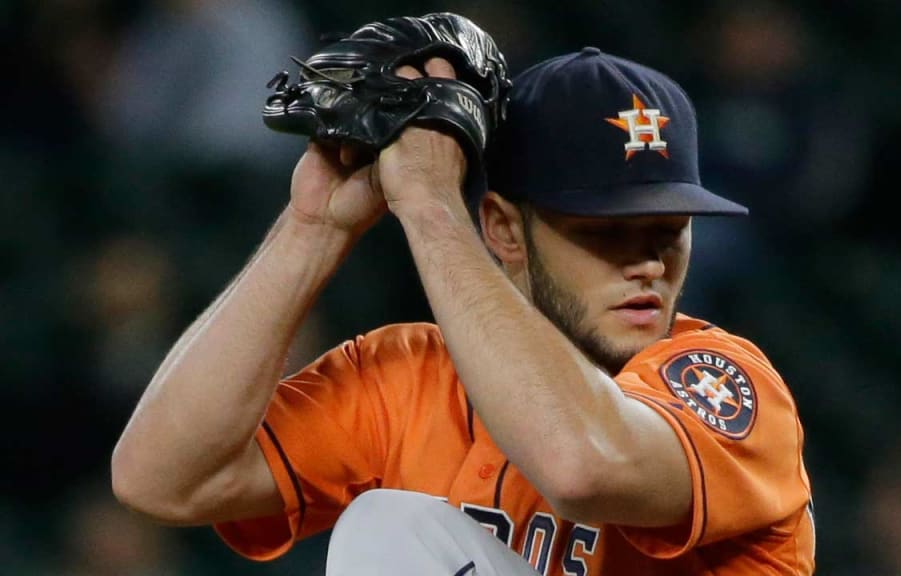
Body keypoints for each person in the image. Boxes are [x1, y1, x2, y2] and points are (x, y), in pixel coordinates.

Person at [112, 47, 815, 575]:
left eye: (668, 234)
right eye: (606, 232)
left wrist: (430, 205)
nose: (648, 265)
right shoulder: (409, 378)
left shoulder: (722, 383)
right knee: (388, 526)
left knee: (393, 532)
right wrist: (312, 229)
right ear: (505, 231)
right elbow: (160, 479)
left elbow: (581, 465)